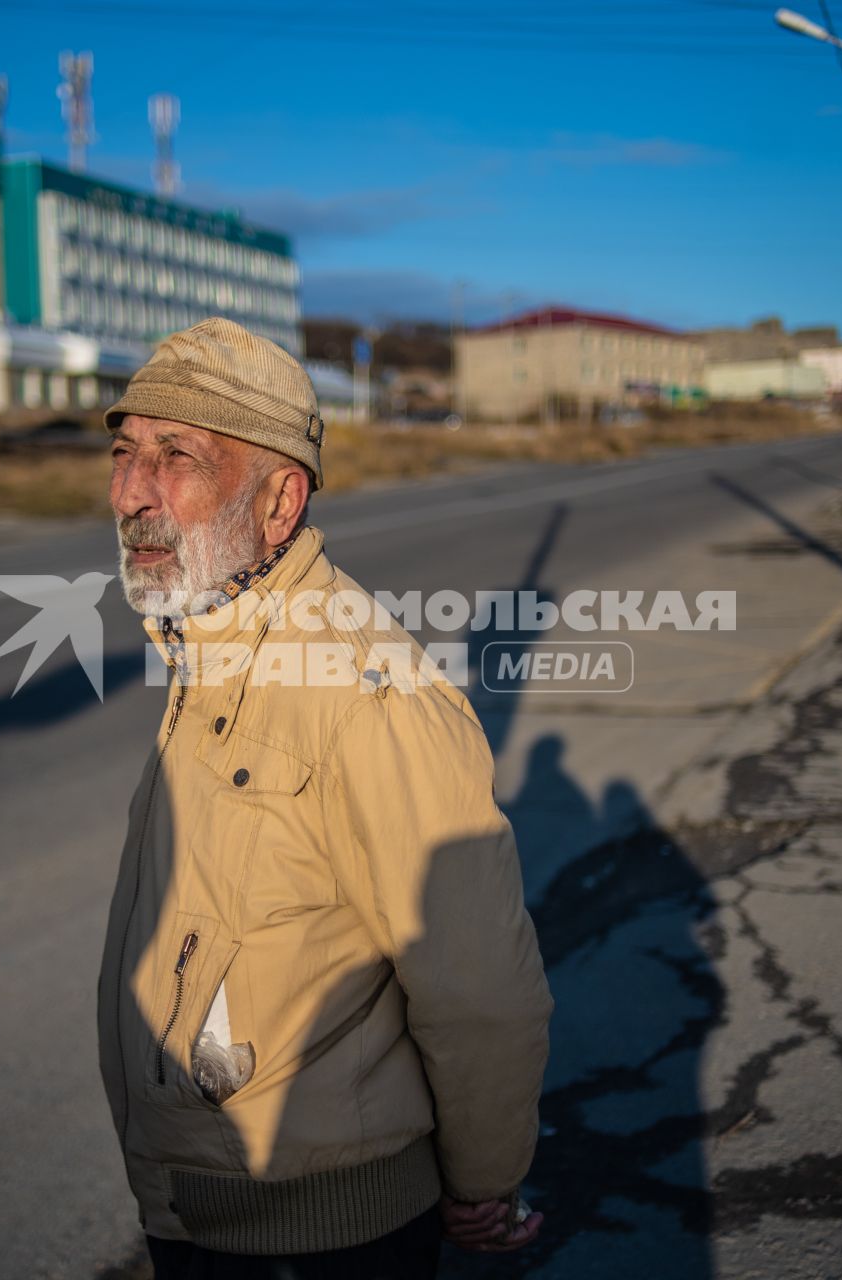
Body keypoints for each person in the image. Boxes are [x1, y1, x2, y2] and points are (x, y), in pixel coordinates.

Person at [96, 318, 554, 1278]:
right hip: (200, 1212)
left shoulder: (368, 694)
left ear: (278, 504)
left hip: (324, 1238)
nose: (132, 492)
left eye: (177, 456)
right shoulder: (208, 651)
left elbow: (478, 991)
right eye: (125, 452)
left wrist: (480, 1183)